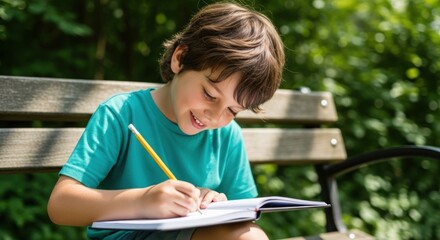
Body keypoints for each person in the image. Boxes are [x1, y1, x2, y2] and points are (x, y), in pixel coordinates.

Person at [47, 2, 285, 240]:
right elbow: (60, 205)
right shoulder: (122, 113)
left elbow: (245, 214)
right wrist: (143, 201)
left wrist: (215, 204)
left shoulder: (227, 135)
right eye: (210, 95)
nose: (215, 115)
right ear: (179, 58)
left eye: (233, 110)